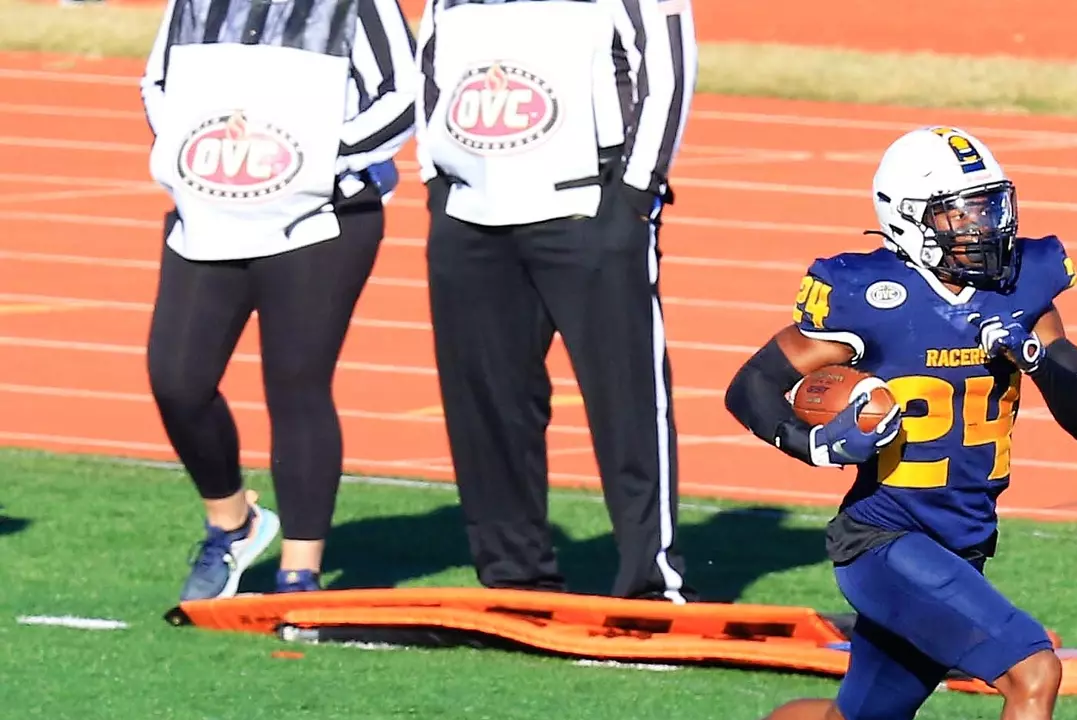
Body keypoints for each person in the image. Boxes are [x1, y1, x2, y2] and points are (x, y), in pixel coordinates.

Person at [620, 126, 1077, 720]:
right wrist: (815, 447)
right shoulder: (867, 294)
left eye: (990, 207)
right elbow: (752, 386)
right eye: (963, 212)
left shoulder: (1026, 281)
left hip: (956, 551)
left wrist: (1036, 352)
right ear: (909, 219)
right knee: (1031, 668)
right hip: (884, 539)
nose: (986, 227)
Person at [417, 0, 696, 602]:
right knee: (487, 403)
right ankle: (513, 576)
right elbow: (431, 66)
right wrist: (436, 181)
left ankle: (651, 581)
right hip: (470, 213)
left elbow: (668, 69)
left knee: (628, 402)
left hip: (586, 207)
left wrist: (633, 193)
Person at [141, 0, 417, 600]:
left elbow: (403, 96)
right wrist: (193, 155)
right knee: (177, 379)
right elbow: (158, 82)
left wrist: (318, 164)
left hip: (321, 218)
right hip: (211, 209)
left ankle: (300, 571)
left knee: (296, 382)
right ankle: (233, 524)